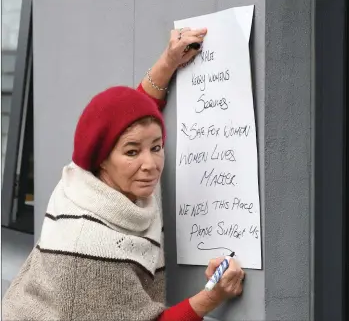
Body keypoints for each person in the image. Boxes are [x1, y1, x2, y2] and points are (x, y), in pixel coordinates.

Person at [2, 27, 245, 321]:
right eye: (132, 153)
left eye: (156, 147)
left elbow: (134, 114)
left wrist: (168, 62)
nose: (150, 164)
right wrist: (213, 295)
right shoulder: (90, 250)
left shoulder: (86, 180)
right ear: (102, 159)